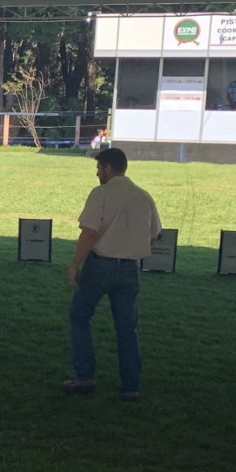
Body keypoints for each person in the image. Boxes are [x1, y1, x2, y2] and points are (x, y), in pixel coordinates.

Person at [63, 148, 161, 402]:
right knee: (128, 328)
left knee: (79, 316)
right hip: (130, 269)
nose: (97, 174)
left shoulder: (101, 194)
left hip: (99, 266)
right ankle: (130, 387)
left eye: (98, 169)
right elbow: (154, 234)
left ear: (108, 168)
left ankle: (85, 376)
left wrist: (75, 264)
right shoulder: (144, 196)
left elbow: (90, 232)